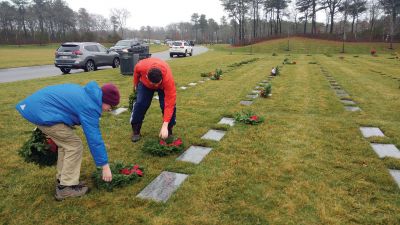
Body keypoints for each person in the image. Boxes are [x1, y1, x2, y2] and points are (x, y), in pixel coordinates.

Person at [16, 81, 120, 200]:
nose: (109, 109)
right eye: (110, 105)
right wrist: (105, 167)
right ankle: (66, 188)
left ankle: (63, 179)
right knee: (74, 145)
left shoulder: (89, 95)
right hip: (42, 112)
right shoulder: (90, 106)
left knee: (66, 144)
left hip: (36, 107)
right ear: (104, 100)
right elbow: (94, 139)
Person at [130, 58, 177, 142]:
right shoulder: (141, 66)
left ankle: (168, 130)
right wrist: (135, 83)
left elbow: (170, 104)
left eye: (157, 83)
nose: (155, 86)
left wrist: (165, 124)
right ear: (147, 76)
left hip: (163, 87)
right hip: (145, 85)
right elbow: (136, 72)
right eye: (153, 84)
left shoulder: (168, 80)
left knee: (165, 105)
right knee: (140, 103)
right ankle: (136, 130)